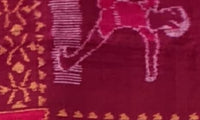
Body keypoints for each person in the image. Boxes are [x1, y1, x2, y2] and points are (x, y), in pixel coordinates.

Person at [56, 1, 189, 82]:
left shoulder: (150, 31)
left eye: (171, 12)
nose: (168, 9)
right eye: (172, 9)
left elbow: (151, 56)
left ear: (171, 24)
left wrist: (151, 73)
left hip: (108, 19)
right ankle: (69, 62)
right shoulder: (151, 6)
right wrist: (151, 73)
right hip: (109, 14)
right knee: (90, 45)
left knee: (90, 45)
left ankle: (68, 62)